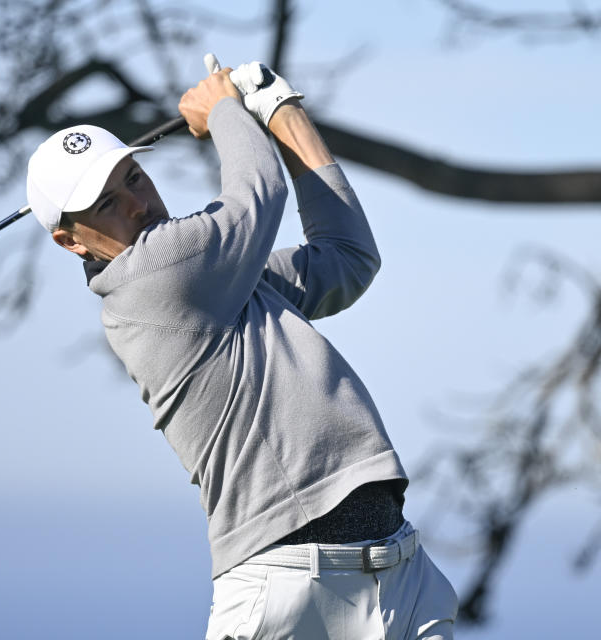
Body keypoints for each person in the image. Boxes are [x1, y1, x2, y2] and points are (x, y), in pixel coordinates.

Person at [25, 55, 459, 639]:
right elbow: (259, 188)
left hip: (396, 573)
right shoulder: (153, 276)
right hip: (285, 585)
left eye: (133, 177)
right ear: (69, 240)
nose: (137, 202)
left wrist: (282, 110)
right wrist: (224, 108)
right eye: (106, 204)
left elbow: (348, 257)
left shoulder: (218, 277)